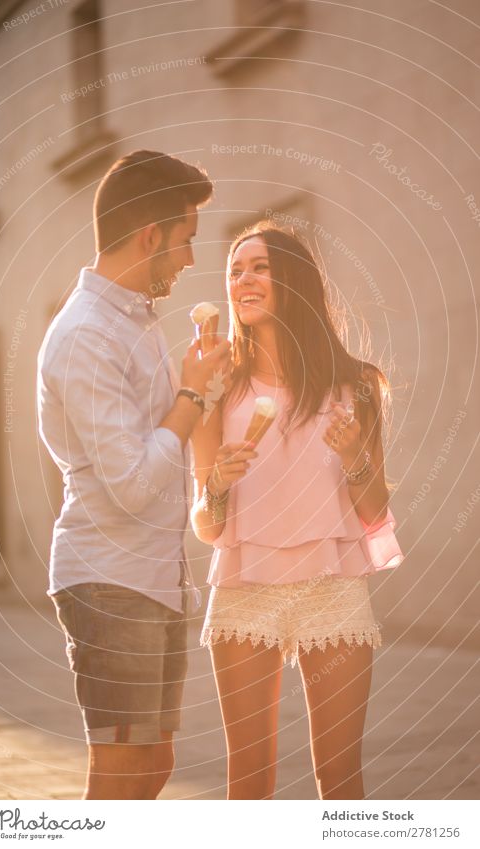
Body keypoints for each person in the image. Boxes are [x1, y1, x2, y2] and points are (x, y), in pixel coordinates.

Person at [37, 150, 231, 800]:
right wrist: (192, 395)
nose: (189, 260)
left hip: (149, 579)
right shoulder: (87, 336)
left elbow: (156, 446)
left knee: (151, 766)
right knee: (120, 776)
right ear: (149, 235)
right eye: (183, 240)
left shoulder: (131, 321)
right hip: (109, 584)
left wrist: (192, 389)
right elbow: (134, 481)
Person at [191, 222, 404, 800]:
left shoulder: (354, 385)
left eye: (259, 266)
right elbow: (208, 527)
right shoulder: (216, 385)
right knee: (250, 779)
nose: (243, 279)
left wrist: (356, 454)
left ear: (294, 282)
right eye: (235, 270)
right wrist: (218, 484)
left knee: (339, 778)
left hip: (331, 587)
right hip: (244, 585)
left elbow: (374, 509)